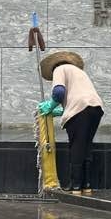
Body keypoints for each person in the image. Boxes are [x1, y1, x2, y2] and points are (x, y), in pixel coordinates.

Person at [37, 51, 104, 195]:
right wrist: (60, 111)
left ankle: (75, 186)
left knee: (77, 146)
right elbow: (77, 99)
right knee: (86, 145)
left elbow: (59, 92)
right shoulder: (79, 73)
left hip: (80, 109)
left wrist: (50, 105)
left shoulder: (59, 69)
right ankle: (86, 185)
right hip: (96, 108)